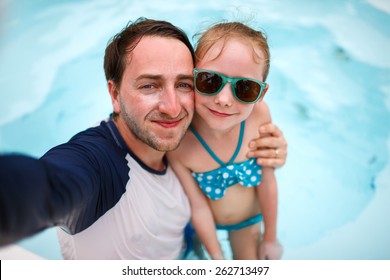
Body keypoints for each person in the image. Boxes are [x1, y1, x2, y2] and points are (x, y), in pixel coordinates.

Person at [0, 18, 287, 259]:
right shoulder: (101, 164)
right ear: (114, 94)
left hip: (191, 242)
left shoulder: (196, 123)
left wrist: (274, 148)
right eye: (149, 85)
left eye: (185, 84)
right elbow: (47, 185)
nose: (173, 107)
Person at [168, 21, 283, 260]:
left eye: (245, 88)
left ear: (261, 94)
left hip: (248, 222)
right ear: (191, 78)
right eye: (210, 80)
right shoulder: (180, 140)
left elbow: (268, 181)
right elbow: (197, 206)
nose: (223, 99)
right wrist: (217, 258)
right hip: (201, 224)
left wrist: (270, 238)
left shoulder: (258, 117)